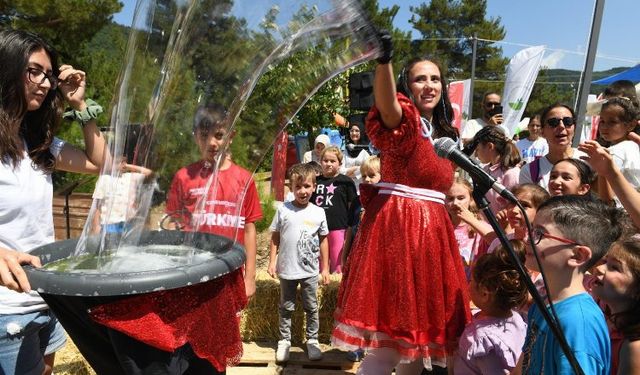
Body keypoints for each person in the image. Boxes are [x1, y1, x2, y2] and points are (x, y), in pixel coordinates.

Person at [332, 33, 471, 374]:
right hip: (399, 233)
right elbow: (387, 107)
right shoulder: (407, 123)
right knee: (387, 349)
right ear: (407, 86)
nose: (429, 85)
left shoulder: (444, 135)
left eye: (435, 78)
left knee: (415, 350)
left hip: (432, 241)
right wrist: (384, 63)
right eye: (419, 79)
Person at [0, 29, 107, 375]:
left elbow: (100, 162)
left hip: (46, 296)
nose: (45, 84)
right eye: (34, 71)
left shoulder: (37, 143)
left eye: (48, 75)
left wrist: (80, 105)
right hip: (6, 309)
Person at [514, 196, 625, 375]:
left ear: (578, 256)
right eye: (531, 229)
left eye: (539, 233)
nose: (527, 238)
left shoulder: (578, 324)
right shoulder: (544, 303)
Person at [267, 163, 330, 363]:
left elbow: (323, 240)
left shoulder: (318, 212)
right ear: (291, 188)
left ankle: (312, 340)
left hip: (310, 271)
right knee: (286, 307)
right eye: (298, 187)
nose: (302, 191)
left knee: (311, 307)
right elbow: (275, 237)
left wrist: (326, 268)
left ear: (314, 187)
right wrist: (272, 262)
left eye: (307, 186)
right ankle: (284, 341)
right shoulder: (283, 210)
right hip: (287, 269)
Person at [453, 245, 528, 374]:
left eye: (471, 280)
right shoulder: (515, 318)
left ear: (484, 294)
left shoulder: (483, 340)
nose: (468, 284)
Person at [591, 236, 640, 375]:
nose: (599, 268)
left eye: (614, 267)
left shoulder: (634, 348)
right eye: (605, 261)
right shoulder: (605, 321)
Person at [518, 103, 586, 190]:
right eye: (553, 122)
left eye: (567, 121)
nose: (561, 126)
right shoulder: (529, 171)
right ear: (542, 132)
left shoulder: (588, 162)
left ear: (574, 128)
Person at [311, 146, 357, 274]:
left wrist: (351, 226)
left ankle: (336, 288)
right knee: (320, 261)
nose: (329, 164)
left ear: (340, 163)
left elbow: (351, 206)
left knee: (338, 263)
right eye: (325, 161)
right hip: (318, 229)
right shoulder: (315, 181)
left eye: (333, 161)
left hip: (338, 228)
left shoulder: (345, 182)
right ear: (321, 162)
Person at [579, 137, 640, 229]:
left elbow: (607, 203)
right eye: (553, 176)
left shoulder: (628, 146)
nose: (558, 181)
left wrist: (609, 172)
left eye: (566, 177)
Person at [445, 177, 492, 281]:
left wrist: (471, 220)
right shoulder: (442, 226)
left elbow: (496, 241)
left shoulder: (478, 226)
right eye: (450, 198)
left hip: (472, 287)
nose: (456, 203)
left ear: (471, 199)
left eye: (461, 198)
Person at [597, 97, 640, 202]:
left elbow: (608, 195)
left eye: (612, 122)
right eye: (602, 121)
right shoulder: (633, 146)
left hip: (621, 209)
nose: (604, 127)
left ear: (631, 125)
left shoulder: (617, 151)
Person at [469, 125, 521, 212]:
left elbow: (514, 205)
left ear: (490, 146)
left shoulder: (511, 173)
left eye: (477, 149)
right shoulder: (485, 170)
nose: (476, 154)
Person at [341, 123, 370, 192]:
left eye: (357, 131)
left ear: (361, 132)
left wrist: (350, 173)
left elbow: (367, 168)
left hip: (360, 188)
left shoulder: (366, 151)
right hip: (347, 187)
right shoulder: (345, 151)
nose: (354, 133)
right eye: (352, 130)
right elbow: (340, 170)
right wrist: (356, 168)